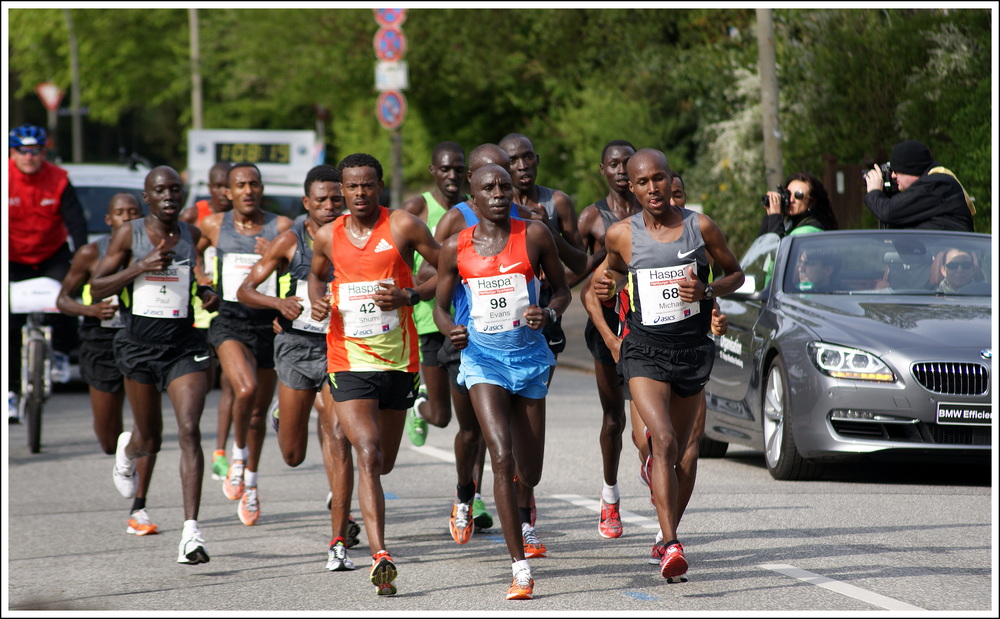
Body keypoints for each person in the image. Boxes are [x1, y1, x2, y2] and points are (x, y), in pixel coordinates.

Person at [590, 148, 744, 583]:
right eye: (643, 182)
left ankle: (662, 532)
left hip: (691, 350)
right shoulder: (621, 234)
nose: (653, 188)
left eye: (659, 179)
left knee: (679, 454)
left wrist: (709, 290)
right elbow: (609, 275)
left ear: (668, 179)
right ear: (632, 187)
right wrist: (605, 284)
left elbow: (736, 273)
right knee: (663, 439)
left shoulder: (700, 227)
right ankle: (672, 543)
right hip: (644, 350)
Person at [434, 163, 570, 600]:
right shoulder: (457, 246)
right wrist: (448, 330)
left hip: (529, 359)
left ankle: (523, 508)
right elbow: (439, 306)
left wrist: (547, 313)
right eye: (488, 187)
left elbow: (562, 290)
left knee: (529, 471)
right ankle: (520, 568)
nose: (498, 193)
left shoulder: (532, 235)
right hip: (481, 360)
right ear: (471, 197)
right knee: (502, 456)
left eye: (504, 186)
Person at [307, 153, 440, 596]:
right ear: (341, 190)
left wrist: (409, 295)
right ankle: (381, 554)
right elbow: (315, 276)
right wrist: (319, 301)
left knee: (382, 461)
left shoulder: (403, 226)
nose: (359, 193)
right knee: (365, 449)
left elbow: (447, 270)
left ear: (379, 186)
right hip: (347, 359)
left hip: (400, 361)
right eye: (352, 187)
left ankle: (364, 529)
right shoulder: (326, 236)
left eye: (367, 185)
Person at [90, 165, 220, 564]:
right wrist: (139, 267)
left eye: (175, 190)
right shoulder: (129, 234)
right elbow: (97, 285)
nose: (168, 196)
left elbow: (197, 278)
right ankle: (128, 448)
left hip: (183, 346)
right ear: (147, 198)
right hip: (138, 345)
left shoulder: (191, 235)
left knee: (189, 430)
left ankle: (190, 534)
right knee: (149, 439)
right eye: (160, 190)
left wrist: (207, 292)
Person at [236, 164, 359, 570]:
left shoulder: (352, 238)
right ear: (306, 203)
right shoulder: (289, 241)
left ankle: (339, 534)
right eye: (320, 200)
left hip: (338, 348)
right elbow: (244, 290)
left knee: (337, 432)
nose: (329, 206)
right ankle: (281, 415)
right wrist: (279, 304)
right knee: (292, 454)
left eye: (335, 199)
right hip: (294, 348)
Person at [55, 193, 161, 536]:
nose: (127, 218)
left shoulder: (153, 248)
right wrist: (91, 310)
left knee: (149, 428)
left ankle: (139, 508)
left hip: (141, 340)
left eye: (133, 212)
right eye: (120, 213)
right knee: (106, 437)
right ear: (109, 219)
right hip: (100, 343)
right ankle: (123, 449)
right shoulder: (91, 253)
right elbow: (63, 299)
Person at [197, 162, 294, 526]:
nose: (248, 190)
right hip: (230, 322)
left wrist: (278, 255)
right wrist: (202, 280)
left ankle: (250, 483)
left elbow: (297, 263)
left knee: (258, 412)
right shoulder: (213, 224)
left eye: (254, 184)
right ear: (229, 191)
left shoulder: (281, 226)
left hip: (268, 323)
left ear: (261, 188)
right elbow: (191, 249)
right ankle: (236, 455)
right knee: (245, 388)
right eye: (241, 185)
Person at [573, 140, 642, 539]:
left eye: (627, 163)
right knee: (614, 417)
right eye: (613, 164)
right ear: (603, 170)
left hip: (649, 324)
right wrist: (545, 296)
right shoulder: (590, 218)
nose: (621, 170)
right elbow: (580, 270)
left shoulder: (652, 213)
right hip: (606, 326)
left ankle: (654, 485)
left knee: (647, 425)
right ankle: (610, 496)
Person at [8, 124, 88, 422]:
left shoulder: (58, 179)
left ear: (45, 151)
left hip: (50, 254)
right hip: (12, 258)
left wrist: (83, 256)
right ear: (12, 152)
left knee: (67, 294)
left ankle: (61, 352)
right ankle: (11, 393)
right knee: (10, 324)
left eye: (36, 151)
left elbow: (77, 223)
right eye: (22, 151)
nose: (29, 157)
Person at [399, 141, 468, 448]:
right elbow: (395, 253)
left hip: (466, 322)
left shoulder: (474, 206)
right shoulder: (418, 208)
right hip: (428, 317)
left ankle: (469, 492)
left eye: (457, 169)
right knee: (440, 416)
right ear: (433, 171)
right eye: (445, 169)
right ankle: (419, 406)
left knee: (471, 419)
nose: (452, 175)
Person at [182, 161, 237, 482]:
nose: (225, 193)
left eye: (229, 186)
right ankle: (194, 439)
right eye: (219, 186)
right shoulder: (195, 216)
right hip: (201, 309)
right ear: (211, 187)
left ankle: (219, 452)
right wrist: (200, 274)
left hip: (231, 310)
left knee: (231, 382)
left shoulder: (245, 219)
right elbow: (183, 253)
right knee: (202, 383)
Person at [863, 139, 974, 232]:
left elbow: (888, 212)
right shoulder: (936, 185)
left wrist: (874, 192)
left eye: (897, 171)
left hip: (953, 255)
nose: (893, 176)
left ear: (912, 169)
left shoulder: (938, 185)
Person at [758, 172, 838, 237]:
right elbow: (761, 248)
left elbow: (778, 252)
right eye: (788, 194)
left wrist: (775, 216)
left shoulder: (808, 230)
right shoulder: (792, 226)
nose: (791, 200)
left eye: (798, 196)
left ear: (811, 202)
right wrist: (769, 215)